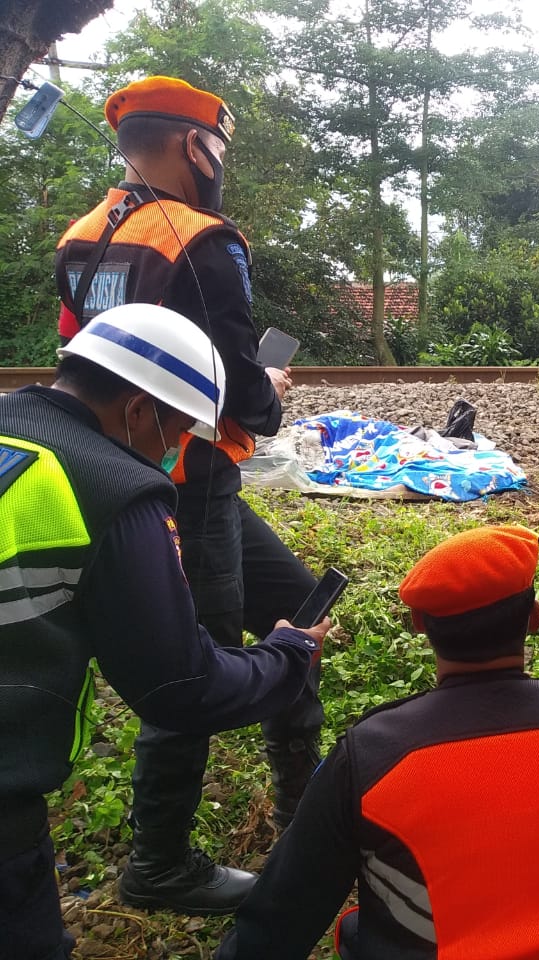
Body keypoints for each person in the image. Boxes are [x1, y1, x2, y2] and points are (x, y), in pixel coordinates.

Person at [52, 76, 322, 915]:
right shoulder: (203, 240)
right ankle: (160, 862)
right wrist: (270, 390)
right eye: (218, 149)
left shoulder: (83, 234)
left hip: (157, 471)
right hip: (188, 481)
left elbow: (77, 358)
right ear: (189, 146)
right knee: (187, 673)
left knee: (303, 607)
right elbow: (241, 385)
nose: (220, 165)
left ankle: (302, 808)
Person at [0, 303, 328, 960]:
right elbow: (183, 686)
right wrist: (287, 653)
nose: (176, 449)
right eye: (178, 428)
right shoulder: (118, 489)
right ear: (138, 409)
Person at [215, 524, 539, 960]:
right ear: (533, 618)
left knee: (355, 930)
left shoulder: (369, 756)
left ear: (418, 623)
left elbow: (281, 917)